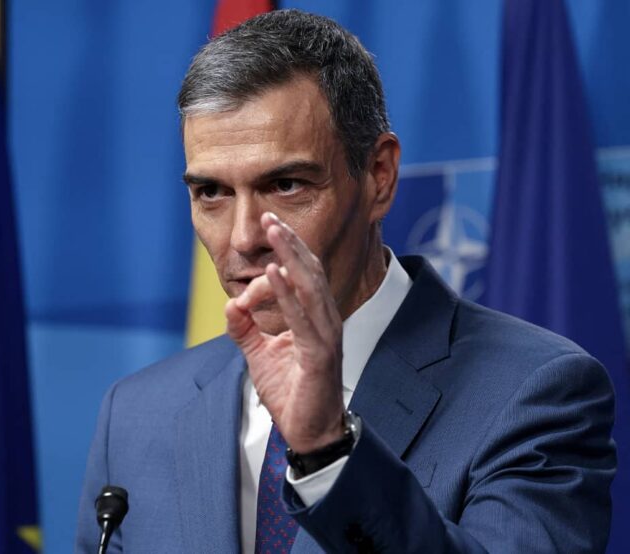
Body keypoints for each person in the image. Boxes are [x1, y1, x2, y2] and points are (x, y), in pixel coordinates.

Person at [75, 9, 617, 554]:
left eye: (287, 185)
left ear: (379, 176)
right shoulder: (136, 414)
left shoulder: (535, 393)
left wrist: (327, 450)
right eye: (211, 193)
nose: (243, 238)